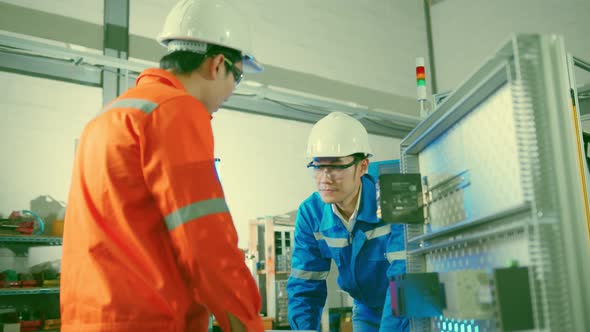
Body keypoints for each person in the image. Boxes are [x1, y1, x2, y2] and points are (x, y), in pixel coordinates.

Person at [60, 0, 265, 331]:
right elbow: (205, 239)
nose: (231, 92)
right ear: (216, 64)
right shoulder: (176, 111)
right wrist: (246, 322)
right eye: (237, 77)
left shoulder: (108, 117)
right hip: (152, 320)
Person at [286, 112, 409, 332]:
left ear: (362, 167)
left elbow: (405, 276)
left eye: (335, 166)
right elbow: (305, 285)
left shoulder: (398, 197)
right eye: (317, 166)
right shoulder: (310, 213)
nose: (325, 178)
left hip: (411, 300)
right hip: (367, 306)